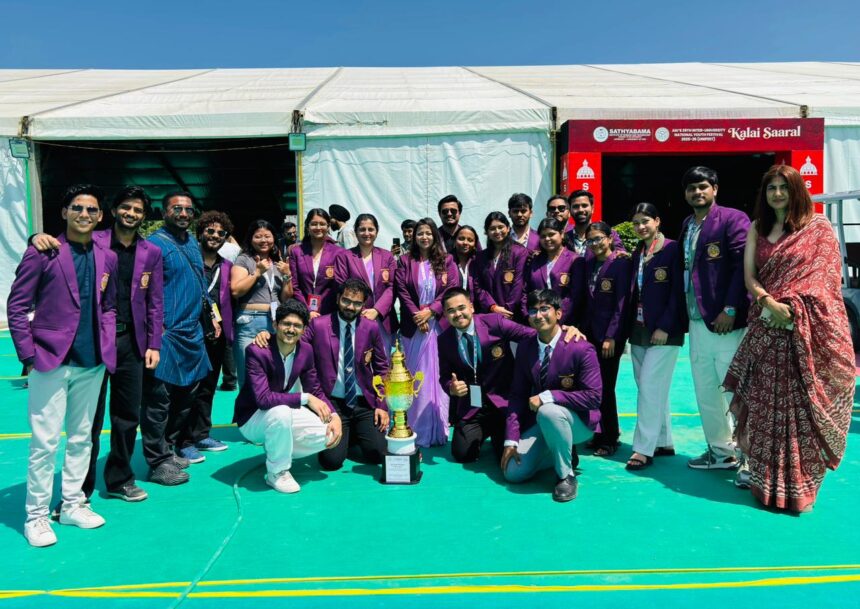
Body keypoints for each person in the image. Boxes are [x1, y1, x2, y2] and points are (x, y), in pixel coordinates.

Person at [724, 165, 855, 513]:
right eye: (772, 188)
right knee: (765, 410)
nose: (778, 193)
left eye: (784, 187)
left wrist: (794, 307)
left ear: (796, 190)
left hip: (804, 334)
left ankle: (799, 490)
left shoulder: (818, 227)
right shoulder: (757, 228)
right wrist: (769, 303)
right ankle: (765, 486)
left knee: (800, 414)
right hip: (767, 330)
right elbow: (750, 277)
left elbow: (825, 279)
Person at [29, 185, 164, 503]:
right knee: (87, 420)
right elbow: (58, 246)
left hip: (132, 343)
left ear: (144, 217)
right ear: (113, 211)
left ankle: (120, 479)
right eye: (126, 207)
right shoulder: (94, 239)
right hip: (96, 340)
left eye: (138, 210)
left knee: (127, 416)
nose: (131, 213)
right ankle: (80, 490)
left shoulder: (152, 252)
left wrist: (154, 344)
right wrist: (35, 237)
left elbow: (155, 302)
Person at [7, 184, 118, 546]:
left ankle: (72, 503)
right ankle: (36, 516)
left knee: (83, 438)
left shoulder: (108, 257)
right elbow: (17, 306)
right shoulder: (43, 253)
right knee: (44, 442)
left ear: (100, 217)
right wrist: (28, 356)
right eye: (77, 208)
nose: (84, 214)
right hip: (50, 361)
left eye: (91, 209)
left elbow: (110, 305)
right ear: (65, 212)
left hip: (92, 362)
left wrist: (106, 341)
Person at [439, 288, 582, 463]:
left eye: (461, 308)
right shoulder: (444, 340)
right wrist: (451, 387)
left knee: (507, 458)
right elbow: (444, 376)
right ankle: (487, 433)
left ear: (471, 307)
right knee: (462, 454)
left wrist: (563, 330)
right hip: (474, 408)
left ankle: (553, 447)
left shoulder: (495, 322)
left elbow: (532, 334)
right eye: (451, 311)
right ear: (445, 314)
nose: (458, 314)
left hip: (504, 403)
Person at [144, 191, 220, 486]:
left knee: (186, 397)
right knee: (159, 401)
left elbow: (200, 284)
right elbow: (143, 291)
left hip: (193, 333)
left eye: (188, 209)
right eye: (177, 208)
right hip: (166, 334)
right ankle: (157, 461)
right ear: (164, 211)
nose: (184, 213)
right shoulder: (153, 245)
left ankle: (168, 447)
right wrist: (155, 328)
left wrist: (211, 314)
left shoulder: (191, 243)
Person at [678, 166, 750, 473]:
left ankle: (750, 460)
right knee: (706, 390)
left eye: (703, 186)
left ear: (715, 189)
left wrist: (731, 308)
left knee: (736, 390)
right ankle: (721, 452)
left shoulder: (733, 219)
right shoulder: (687, 224)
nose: (697, 192)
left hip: (726, 323)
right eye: (691, 188)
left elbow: (742, 266)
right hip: (697, 321)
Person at [502, 289, 602, 503]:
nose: (538, 315)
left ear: (558, 313)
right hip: (546, 421)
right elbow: (518, 395)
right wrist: (511, 440)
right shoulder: (526, 348)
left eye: (544, 309)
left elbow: (594, 397)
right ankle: (562, 451)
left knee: (548, 410)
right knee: (513, 472)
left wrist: (549, 396)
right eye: (533, 311)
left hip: (579, 422)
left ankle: (566, 475)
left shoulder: (582, 348)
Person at [233, 301, 342, 493]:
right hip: (252, 418)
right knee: (281, 412)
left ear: (304, 329)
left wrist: (334, 416)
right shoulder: (257, 351)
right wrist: (305, 398)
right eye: (286, 324)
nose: (291, 330)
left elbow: (315, 390)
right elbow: (263, 400)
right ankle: (277, 472)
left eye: (297, 325)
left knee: (328, 435)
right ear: (275, 325)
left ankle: (277, 448)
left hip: (276, 413)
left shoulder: (306, 350)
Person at [303, 279, 390, 469]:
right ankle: (345, 440)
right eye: (346, 300)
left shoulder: (371, 327)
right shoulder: (318, 325)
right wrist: (268, 336)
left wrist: (381, 405)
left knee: (377, 454)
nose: (350, 307)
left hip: (363, 402)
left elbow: (382, 369)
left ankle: (351, 437)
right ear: (337, 299)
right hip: (332, 403)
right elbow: (294, 345)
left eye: (357, 303)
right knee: (331, 462)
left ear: (364, 304)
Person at [625, 203, 686, 471]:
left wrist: (666, 326)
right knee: (650, 387)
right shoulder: (637, 252)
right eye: (636, 223)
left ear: (657, 221)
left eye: (645, 221)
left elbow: (678, 292)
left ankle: (642, 449)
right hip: (639, 330)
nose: (640, 227)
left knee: (650, 386)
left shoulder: (672, 249)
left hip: (664, 331)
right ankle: (663, 441)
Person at [175, 211, 235, 464]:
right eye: (210, 231)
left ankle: (200, 435)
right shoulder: (188, 260)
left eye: (221, 233)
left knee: (208, 387)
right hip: (189, 334)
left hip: (215, 336)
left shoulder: (227, 266)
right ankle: (182, 441)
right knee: (187, 389)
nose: (215, 236)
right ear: (200, 232)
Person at [395, 218, 459, 447]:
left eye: (428, 233)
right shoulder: (405, 261)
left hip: (439, 326)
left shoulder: (447, 260)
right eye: (420, 233)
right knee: (417, 376)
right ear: (414, 237)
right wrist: (417, 315)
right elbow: (401, 290)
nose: (424, 237)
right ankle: (416, 428)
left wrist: (431, 312)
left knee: (439, 375)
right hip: (414, 327)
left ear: (435, 236)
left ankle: (439, 427)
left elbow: (451, 288)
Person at [582, 221, 632, 456]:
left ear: (610, 238)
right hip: (591, 334)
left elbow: (622, 304)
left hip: (609, 337)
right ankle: (598, 432)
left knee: (606, 387)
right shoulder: (589, 263)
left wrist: (612, 336)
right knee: (593, 385)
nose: (595, 244)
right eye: (590, 240)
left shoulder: (620, 264)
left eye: (599, 238)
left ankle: (609, 438)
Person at [230, 220, 291, 389]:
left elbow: (286, 298)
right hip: (250, 322)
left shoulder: (277, 262)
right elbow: (236, 290)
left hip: (275, 323)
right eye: (258, 236)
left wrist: (287, 275)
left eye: (267, 236)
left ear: (274, 238)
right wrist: (257, 272)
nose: (264, 240)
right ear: (251, 239)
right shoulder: (244, 259)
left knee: (273, 377)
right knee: (248, 379)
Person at [335, 213, 398, 352]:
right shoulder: (345, 257)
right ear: (356, 232)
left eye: (371, 229)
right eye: (362, 229)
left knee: (383, 361)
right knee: (359, 359)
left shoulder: (387, 256)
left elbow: (393, 287)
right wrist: (361, 311)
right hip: (356, 317)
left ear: (377, 231)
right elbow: (341, 286)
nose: (367, 233)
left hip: (383, 318)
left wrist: (377, 310)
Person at [522, 218, 584, 327]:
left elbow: (574, 296)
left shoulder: (575, 260)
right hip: (537, 322)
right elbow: (525, 291)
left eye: (551, 234)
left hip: (565, 324)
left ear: (562, 234)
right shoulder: (534, 260)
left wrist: (556, 319)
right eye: (543, 236)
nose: (547, 239)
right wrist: (529, 316)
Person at [474, 211, 529, 321]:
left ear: (508, 228)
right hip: (489, 315)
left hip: (513, 316)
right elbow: (478, 286)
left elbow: (518, 285)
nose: (497, 231)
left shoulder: (519, 252)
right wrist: (492, 307)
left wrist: (507, 311)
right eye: (492, 228)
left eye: (500, 227)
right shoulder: (481, 257)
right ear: (486, 232)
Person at [289, 208, 343, 319]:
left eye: (322, 224)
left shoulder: (339, 252)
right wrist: (307, 310)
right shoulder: (296, 252)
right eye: (314, 224)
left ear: (328, 226)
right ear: (307, 226)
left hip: (330, 312)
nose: (318, 227)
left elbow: (339, 285)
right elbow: (295, 286)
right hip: (302, 313)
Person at [566, 190, 625, 256]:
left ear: (592, 209)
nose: (580, 210)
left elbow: (620, 255)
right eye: (576, 206)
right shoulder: (564, 236)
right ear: (570, 210)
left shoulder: (608, 233)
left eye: (584, 205)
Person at [451, 224, 483, 305]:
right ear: (454, 240)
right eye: (461, 239)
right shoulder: (446, 262)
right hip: (452, 308)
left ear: (475, 244)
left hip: (475, 309)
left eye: (470, 240)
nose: (465, 242)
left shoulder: (478, 263)